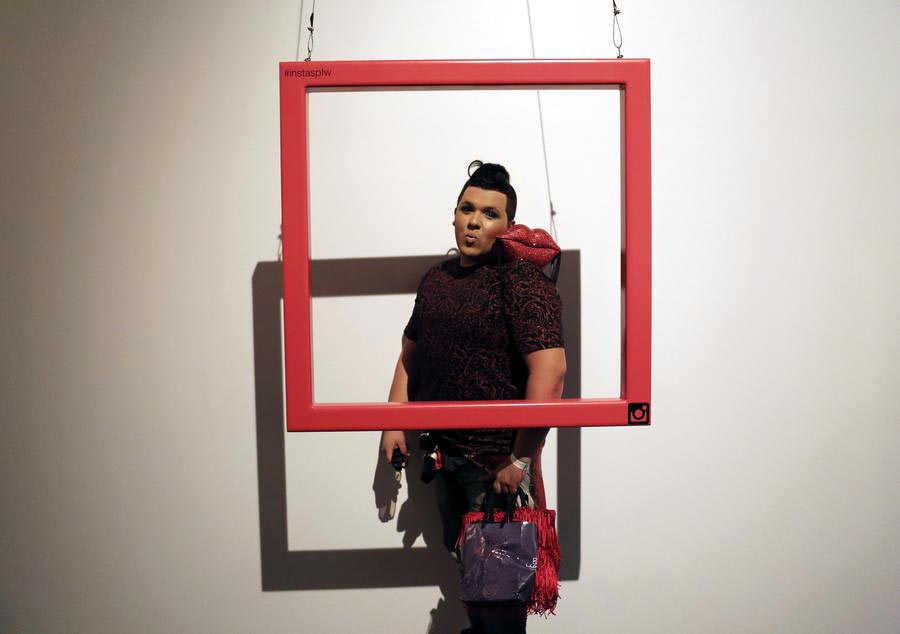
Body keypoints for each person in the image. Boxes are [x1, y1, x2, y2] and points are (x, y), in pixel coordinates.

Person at [382, 162, 566, 634]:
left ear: (508, 228)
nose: (473, 220)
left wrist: (520, 460)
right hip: (444, 457)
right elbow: (411, 356)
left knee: (500, 604)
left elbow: (551, 371)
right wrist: (393, 421)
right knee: (474, 584)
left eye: (489, 213)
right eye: (467, 208)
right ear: (453, 215)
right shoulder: (437, 280)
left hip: (497, 467)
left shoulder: (520, 282)